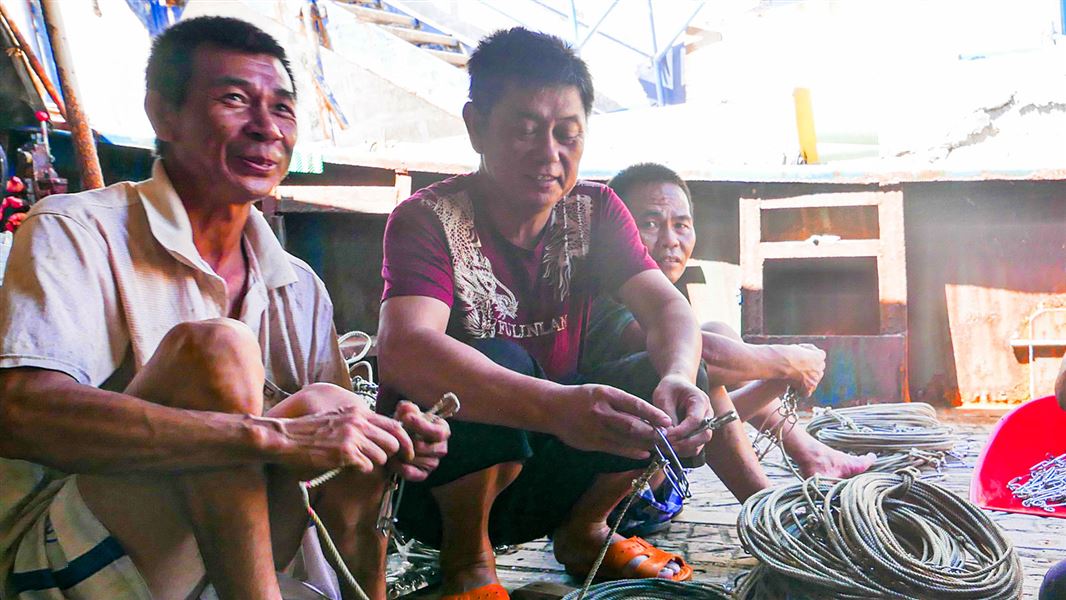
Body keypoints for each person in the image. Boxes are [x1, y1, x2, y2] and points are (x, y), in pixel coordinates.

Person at [0, 16, 448, 600]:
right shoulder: (76, 230)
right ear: (163, 115)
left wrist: (391, 437)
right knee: (217, 348)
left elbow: (331, 446)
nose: (267, 129)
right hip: (69, 566)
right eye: (234, 100)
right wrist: (266, 438)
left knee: (340, 410)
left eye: (283, 109)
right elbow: (19, 415)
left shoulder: (298, 285)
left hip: (222, 563)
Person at [374, 28, 722, 599]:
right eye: (525, 130)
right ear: (476, 126)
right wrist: (557, 407)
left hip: (556, 465)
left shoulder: (596, 209)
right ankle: (469, 564)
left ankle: (586, 530)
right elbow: (406, 349)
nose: (549, 154)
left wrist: (681, 378)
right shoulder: (426, 219)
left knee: (658, 376)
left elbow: (666, 308)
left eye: (567, 135)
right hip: (433, 483)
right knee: (493, 358)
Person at [583, 163, 874, 511]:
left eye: (681, 225)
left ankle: (811, 454)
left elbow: (705, 416)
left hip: (658, 476)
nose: (671, 240)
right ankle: (768, 518)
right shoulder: (599, 299)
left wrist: (776, 379)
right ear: (618, 233)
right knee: (701, 363)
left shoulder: (662, 304)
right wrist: (793, 361)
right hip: (608, 498)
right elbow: (706, 359)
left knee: (711, 344)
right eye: (649, 224)